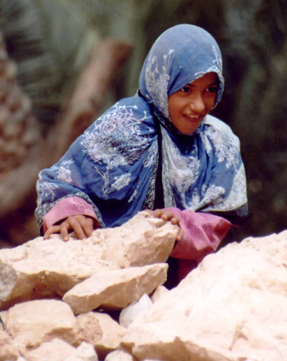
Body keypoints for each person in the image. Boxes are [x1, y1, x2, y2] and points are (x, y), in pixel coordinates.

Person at [35, 24, 248, 281]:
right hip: (107, 278)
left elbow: (218, 221)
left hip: (186, 289)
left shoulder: (218, 141)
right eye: (186, 89)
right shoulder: (126, 123)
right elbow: (63, 183)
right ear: (162, 82)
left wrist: (183, 225)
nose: (199, 105)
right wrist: (74, 213)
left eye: (210, 90)